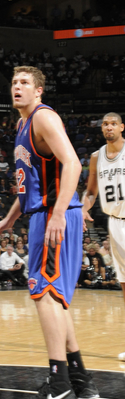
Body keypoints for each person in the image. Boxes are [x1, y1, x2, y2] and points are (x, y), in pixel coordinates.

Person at [0, 66, 97, 399]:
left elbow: (73, 164)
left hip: (54, 213)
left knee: (45, 294)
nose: (17, 87)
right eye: (14, 82)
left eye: (24, 83)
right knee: (56, 299)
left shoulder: (43, 117)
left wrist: (60, 212)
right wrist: (11, 217)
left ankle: (59, 389)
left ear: (39, 91)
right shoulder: (22, 124)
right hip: (43, 211)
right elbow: (33, 180)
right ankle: (79, 379)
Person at [82, 112, 125, 360]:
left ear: (122, 127)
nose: (109, 127)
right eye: (105, 124)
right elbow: (90, 193)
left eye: (113, 124)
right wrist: (83, 209)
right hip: (115, 223)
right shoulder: (97, 157)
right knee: (124, 285)